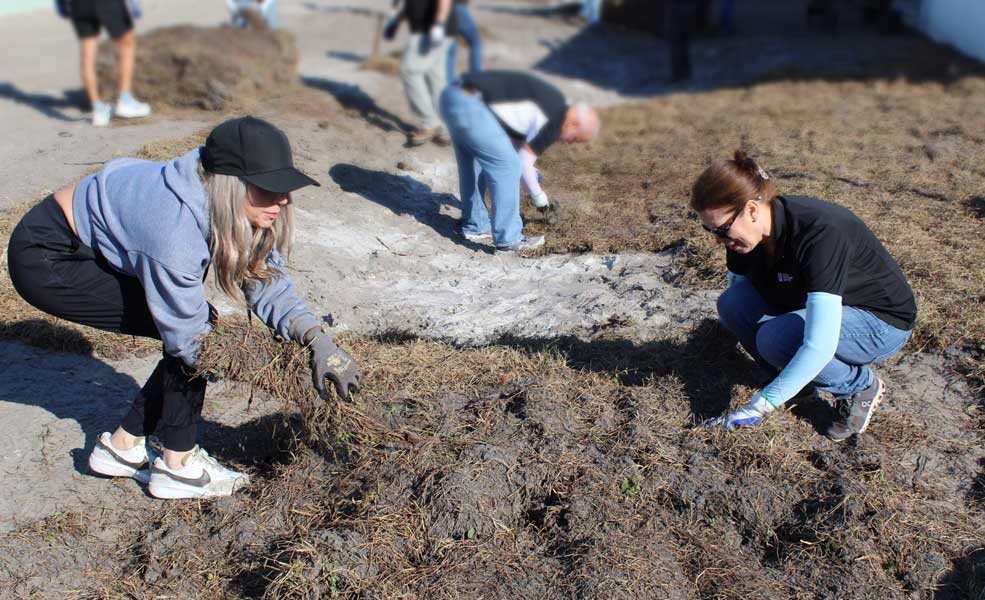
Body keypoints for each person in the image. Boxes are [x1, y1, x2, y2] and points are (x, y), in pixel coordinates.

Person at [7, 116, 360, 499]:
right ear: (231, 186)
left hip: (102, 242)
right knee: (195, 334)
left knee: (195, 328)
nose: (284, 199)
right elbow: (189, 341)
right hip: (49, 258)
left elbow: (266, 283)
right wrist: (268, 369)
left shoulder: (227, 197)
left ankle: (123, 448)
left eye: (284, 187)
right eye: (269, 188)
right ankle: (178, 464)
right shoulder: (175, 232)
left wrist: (316, 339)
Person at [695, 151, 916, 440]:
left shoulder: (820, 232)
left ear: (751, 210)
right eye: (709, 229)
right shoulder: (744, 237)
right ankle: (793, 381)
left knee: (777, 339)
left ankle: (859, 385)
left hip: (879, 322)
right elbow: (736, 287)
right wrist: (725, 329)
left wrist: (761, 405)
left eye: (722, 230)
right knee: (733, 304)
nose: (719, 240)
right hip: (816, 305)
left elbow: (819, 344)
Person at [439, 70, 600, 253]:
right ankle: (510, 240)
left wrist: (531, 176)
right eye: (575, 139)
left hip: (454, 96)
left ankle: (476, 226)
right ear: (574, 124)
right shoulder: (555, 119)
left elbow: (513, 144)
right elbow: (521, 163)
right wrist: (539, 198)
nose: (569, 142)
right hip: (472, 106)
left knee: (475, 163)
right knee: (508, 166)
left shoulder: (551, 102)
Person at [55, 0, 152, 126]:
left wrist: (61, 4)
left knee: (87, 54)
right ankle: (125, 100)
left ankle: (98, 110)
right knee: (127, 44)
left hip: (78, 5)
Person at [384, 0, 455, 147]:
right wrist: (397, 21)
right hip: (433, 29)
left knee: (409, 70)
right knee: (436, 79)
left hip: (430, 30)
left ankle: (429, 123)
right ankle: (445, 130)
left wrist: (439, 23)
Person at [446, 0, 483, 84]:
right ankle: (476, 76)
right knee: (476, 42)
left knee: (450, 48)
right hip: (458, 6)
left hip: (445, 8)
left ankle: (449, 80)